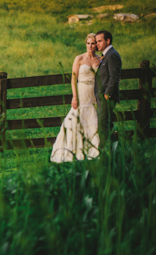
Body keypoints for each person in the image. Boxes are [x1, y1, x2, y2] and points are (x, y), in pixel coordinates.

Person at [51, 33, 100, 163]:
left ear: (96, 45)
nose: (90, 46)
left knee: (93, 119)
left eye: (93, 43)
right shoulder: (79, 58)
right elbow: (73, 79)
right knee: (76, 118)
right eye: (88, 43)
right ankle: (72, 148)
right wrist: (74, 97)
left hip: (93, 93)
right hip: (81, 91)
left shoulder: (100, 59)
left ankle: (92, 149)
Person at [95, 30, 122, 143]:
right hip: (102, 96)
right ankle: (115, 148)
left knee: (102, 123)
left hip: (107, 97)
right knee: (107, 123)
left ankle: (105, 151)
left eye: (100, 41)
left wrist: (107, 94)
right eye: (96, 41)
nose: (97, 44)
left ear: (108, 40)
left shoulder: (112, 55)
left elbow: (114, 77)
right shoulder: (106, 55)